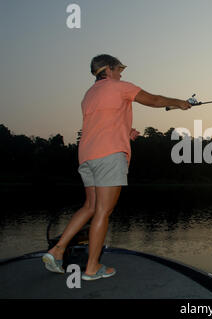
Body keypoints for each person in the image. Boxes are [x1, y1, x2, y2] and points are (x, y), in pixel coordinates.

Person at [42, 54, 191, 280]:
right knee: (104, 211)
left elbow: (102, 123)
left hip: (87, 156)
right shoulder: (119, 87)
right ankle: (92, 268)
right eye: (119, 69)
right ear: (108, 69)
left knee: (90, 206)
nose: (121, 73)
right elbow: (154, 99)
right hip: (109, 155)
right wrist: (179, 103)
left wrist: (127, 133)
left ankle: (58, 249)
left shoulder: (89, 95)